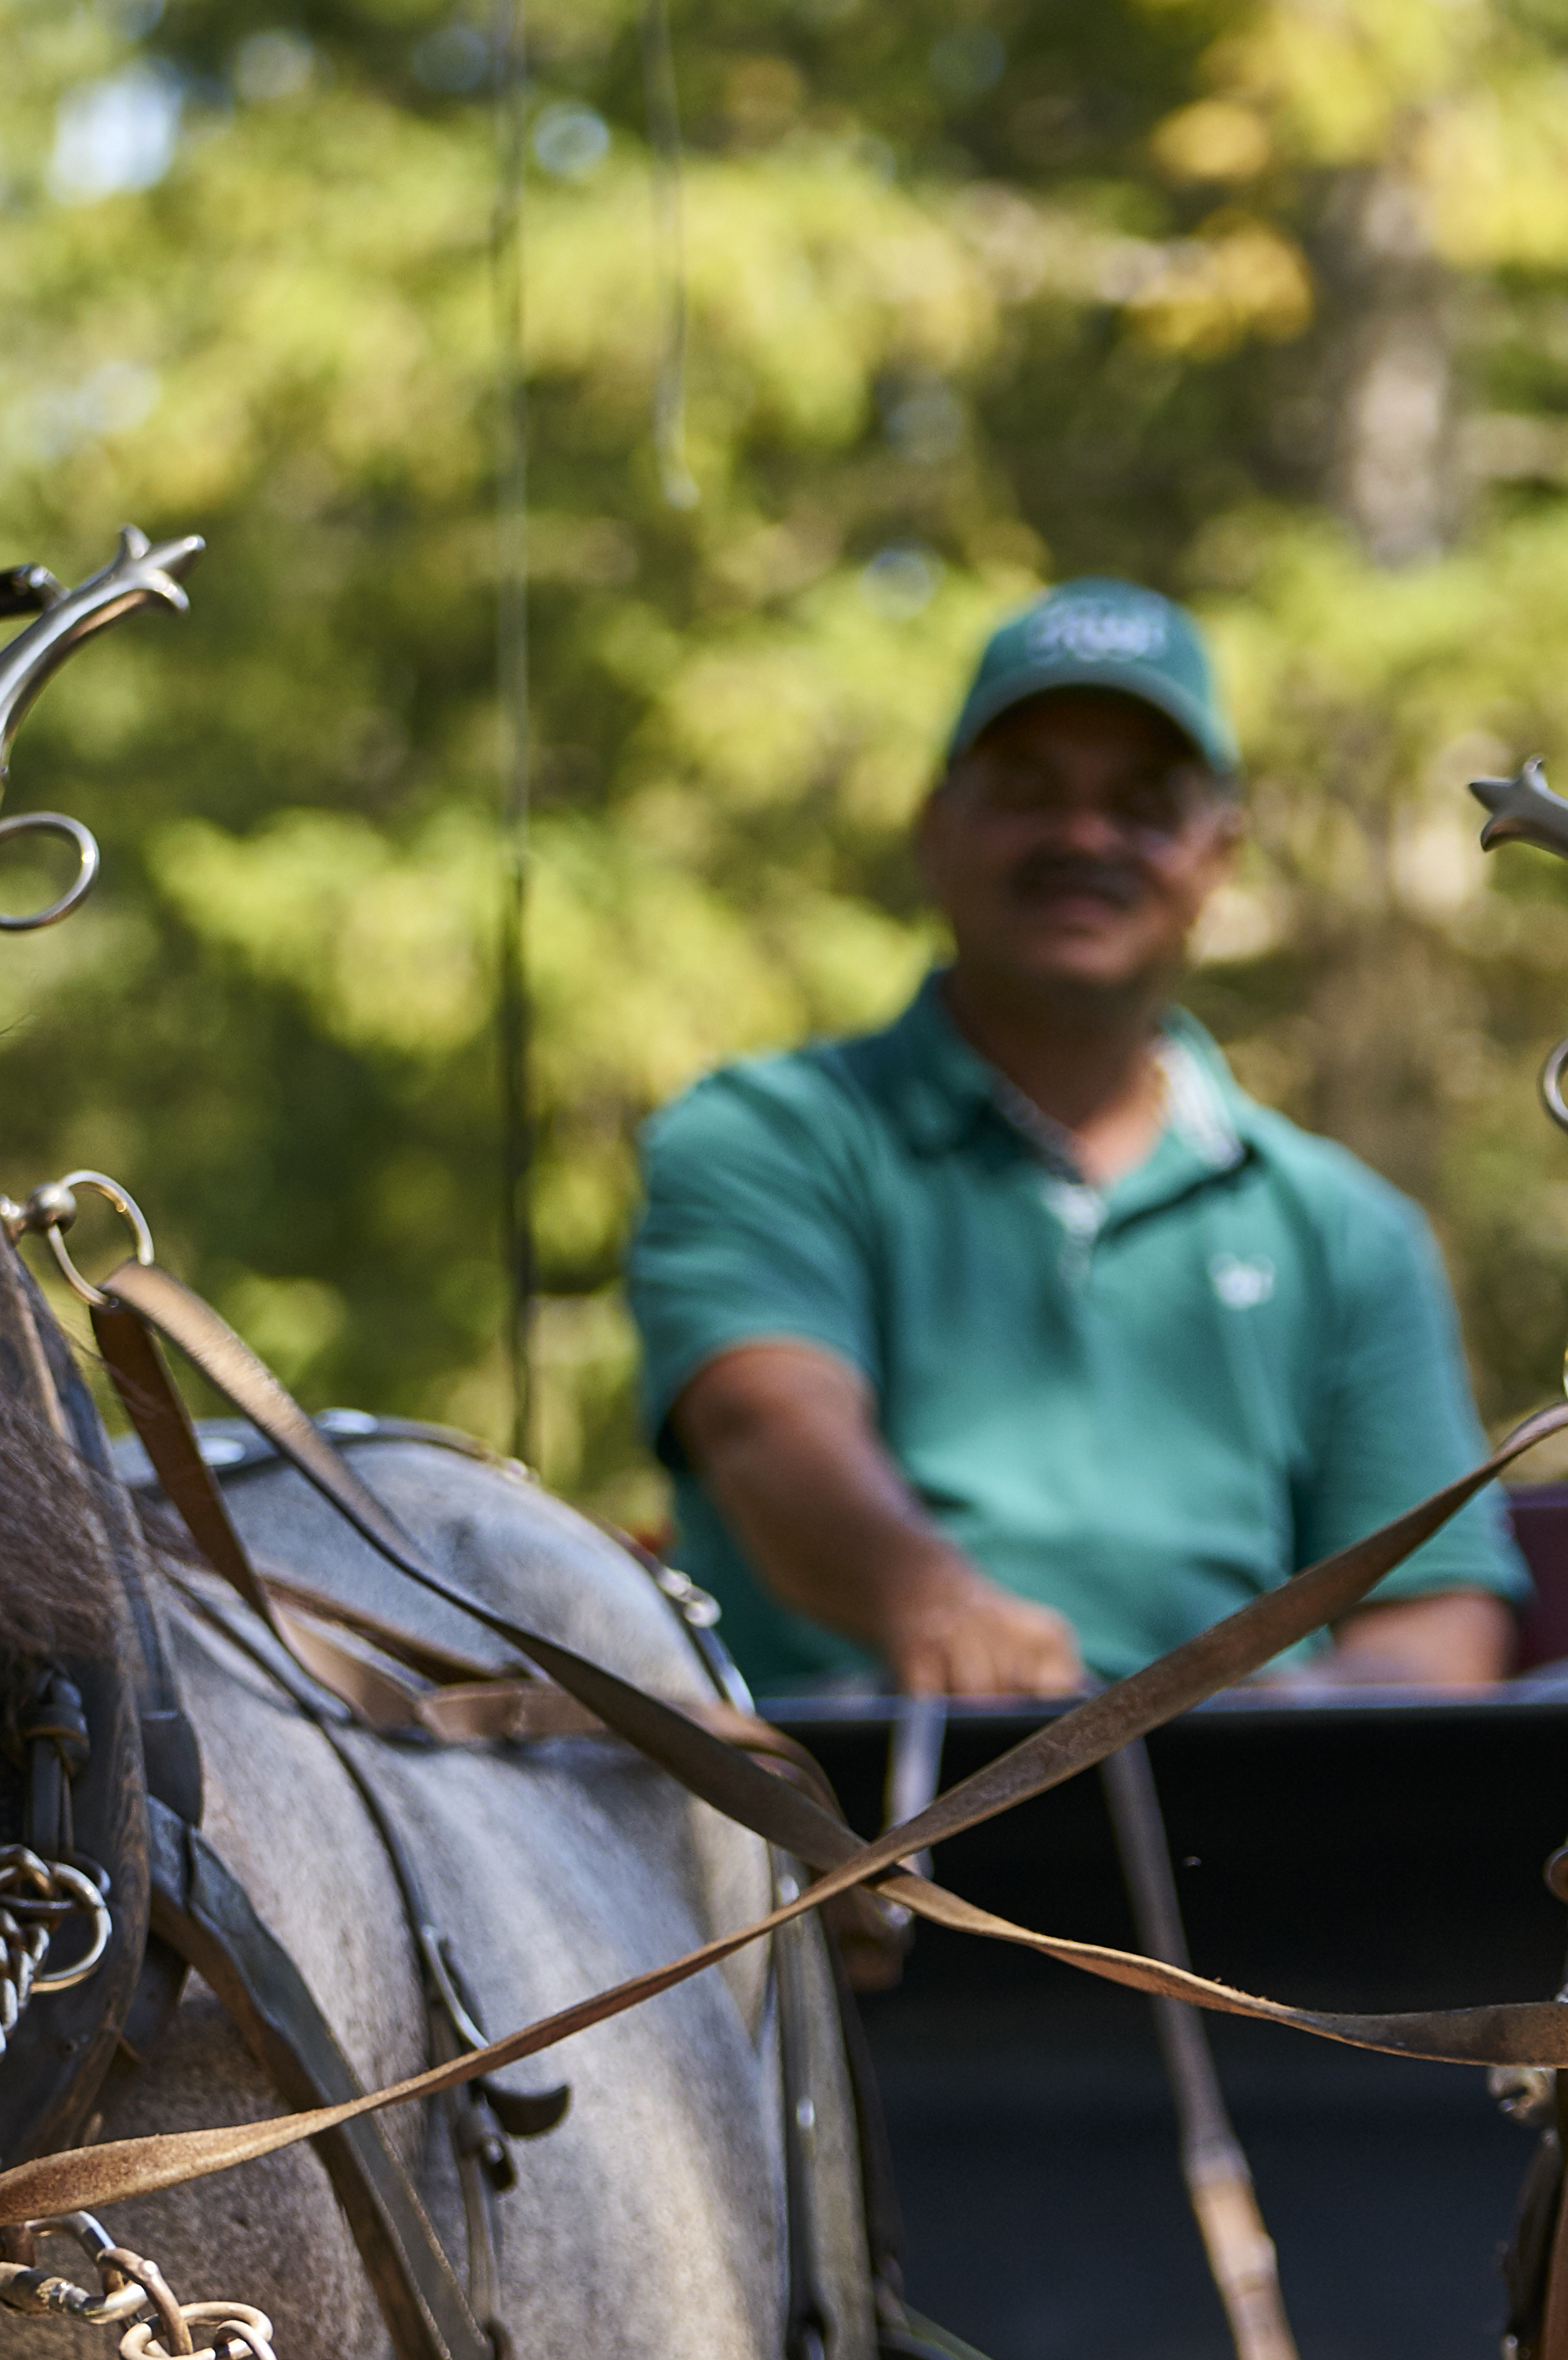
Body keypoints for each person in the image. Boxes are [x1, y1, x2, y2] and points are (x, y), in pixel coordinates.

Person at [630, 580, 1522, 1703]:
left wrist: (1272, 1717)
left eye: (1143, 804)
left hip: (1249, 1844)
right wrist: (933, 1603)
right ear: (934, 826)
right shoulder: (770, 1135)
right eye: (1028, 791)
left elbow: (1438, 1629)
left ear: (1219, 855)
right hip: (842, 1823)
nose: (1083, 837)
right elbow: (765, 1426)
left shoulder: (1347, 1232)